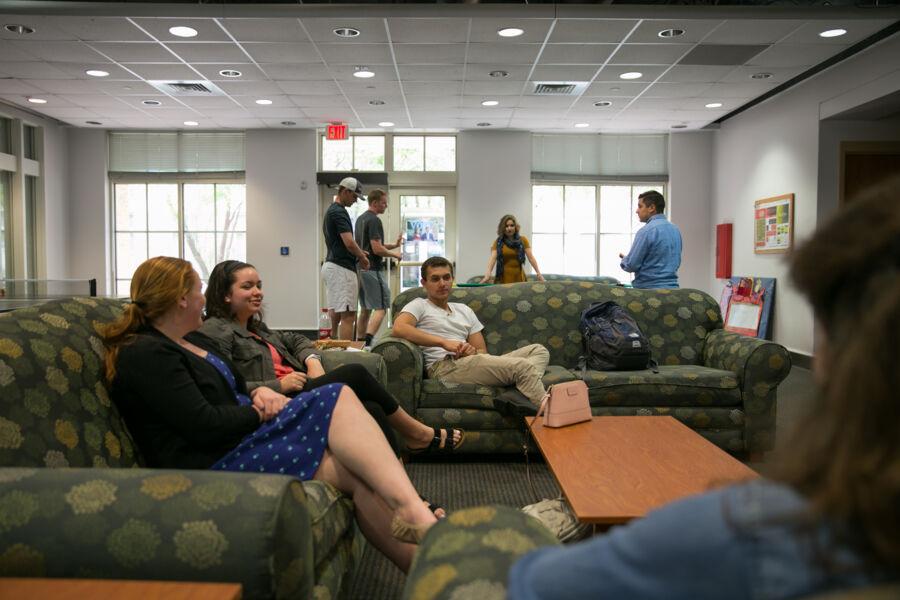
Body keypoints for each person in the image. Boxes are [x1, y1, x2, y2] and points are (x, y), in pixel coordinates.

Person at [507, 188, 900, 598]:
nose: (638, 210)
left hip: (645, 290)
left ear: (833, 360)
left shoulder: (743, 531)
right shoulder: (675, 231)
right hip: (671, 287)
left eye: (640, 204)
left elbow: (534, 584)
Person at [102, 257, 437, 573]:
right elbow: (202, 425)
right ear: (179, 299)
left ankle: (428, 572)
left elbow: (223, 388)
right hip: (214, 458)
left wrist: (256, 391)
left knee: (352, 472)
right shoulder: (146, 352)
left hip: (239, 438)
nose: (203, 297)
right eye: (196, 289)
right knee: (339, 393)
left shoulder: (185, 341)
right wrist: (259, 412)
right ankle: (413, 508)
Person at [198, 260, 463, 463]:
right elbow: (224, 386)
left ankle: (399, 483)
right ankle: (418, 434)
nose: (257, 292)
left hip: (302, 386)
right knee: (357, 374)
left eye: (259, 285)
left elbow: (297, 340)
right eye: (247, 287)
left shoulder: (257, 327)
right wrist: (279, 384)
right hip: (281, 401)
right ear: (225, 295)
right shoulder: (216, 331)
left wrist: (313, 360)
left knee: (372, 407)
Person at [393, 256, 550, 410]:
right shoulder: (419, 305)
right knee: (523, 367)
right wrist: (443, 342)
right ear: (424, 283)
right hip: (443, 367)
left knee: (538, 350)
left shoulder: (464, 310)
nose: (442, 283)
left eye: (446, 278)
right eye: (435, 279)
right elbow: (399, 328)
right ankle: (549, 412)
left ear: (452, 279)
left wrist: (470, 351)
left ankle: (516, 396)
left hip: (470, 362)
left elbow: (481, 351)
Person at [322, 176, 369, 340]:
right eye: (354, 196)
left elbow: (342, 243)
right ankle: (346, 356)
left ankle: (334, 343)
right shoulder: (339, 212)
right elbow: (349, 242)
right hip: (342, 268)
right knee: (348, 316)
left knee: (335, 309)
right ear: (346, 191)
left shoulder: (331, 211)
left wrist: (359, 251)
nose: (355, 201)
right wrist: (362, 256)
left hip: (331, 265)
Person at [354, 189, 402, 347]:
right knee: (382, 307)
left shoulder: (360, 219)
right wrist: (395, 254)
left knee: (366, 308)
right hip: (372, 268)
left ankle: (360, 343)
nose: (386, 205)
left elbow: (372, 244)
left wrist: (393, 245)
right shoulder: (374, 220)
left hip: (360, 270)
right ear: (374, 203)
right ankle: (368, 342)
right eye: (383, 202)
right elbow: (376, 249)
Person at [618, 190, 682, 289]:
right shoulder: (675, 230)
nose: (637, 211)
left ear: (652, 208)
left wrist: (625, 259)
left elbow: (632, 265)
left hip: (649, 292)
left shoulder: (646, 231)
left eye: (640, 206)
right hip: (673, 291)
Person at [481, 214, 545, 284]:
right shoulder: (498, 242)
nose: (509, 228)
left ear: (515, 227)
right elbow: (493, 259)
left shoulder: (523, 240)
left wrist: (539, 273)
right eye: (506, 226)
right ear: (503, 228)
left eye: (512, 225)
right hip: (503, 279)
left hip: (519, 278)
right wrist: (488, 273)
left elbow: (531, 258)